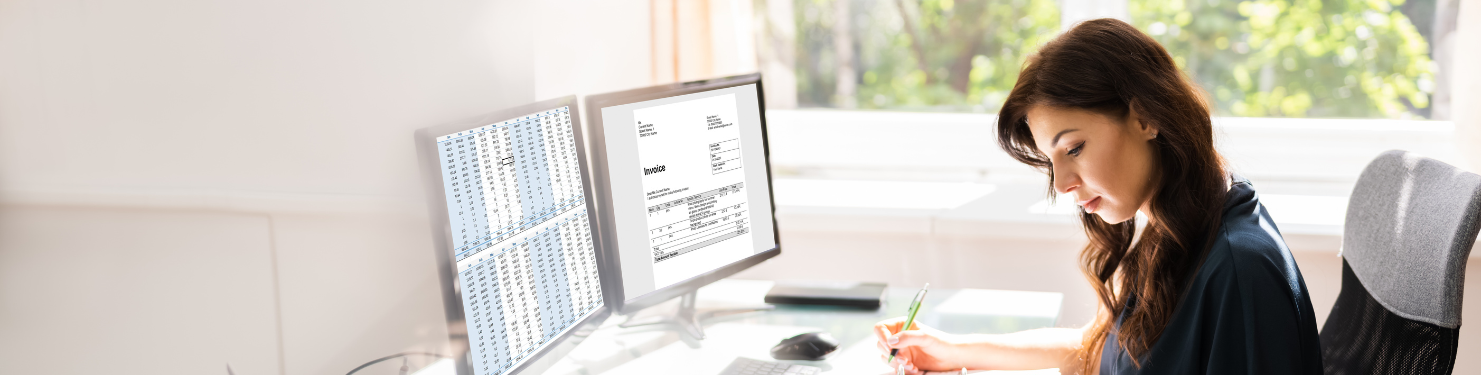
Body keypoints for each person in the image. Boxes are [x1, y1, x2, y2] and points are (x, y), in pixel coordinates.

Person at [874, 18, 1323, 375]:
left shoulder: (1239, 272)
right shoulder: (1179, 224)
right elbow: (1102, 350)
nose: (1063, 183)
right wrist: (950, 351)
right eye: (1052, 161)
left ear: (1147, 116)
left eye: (1075, 148)